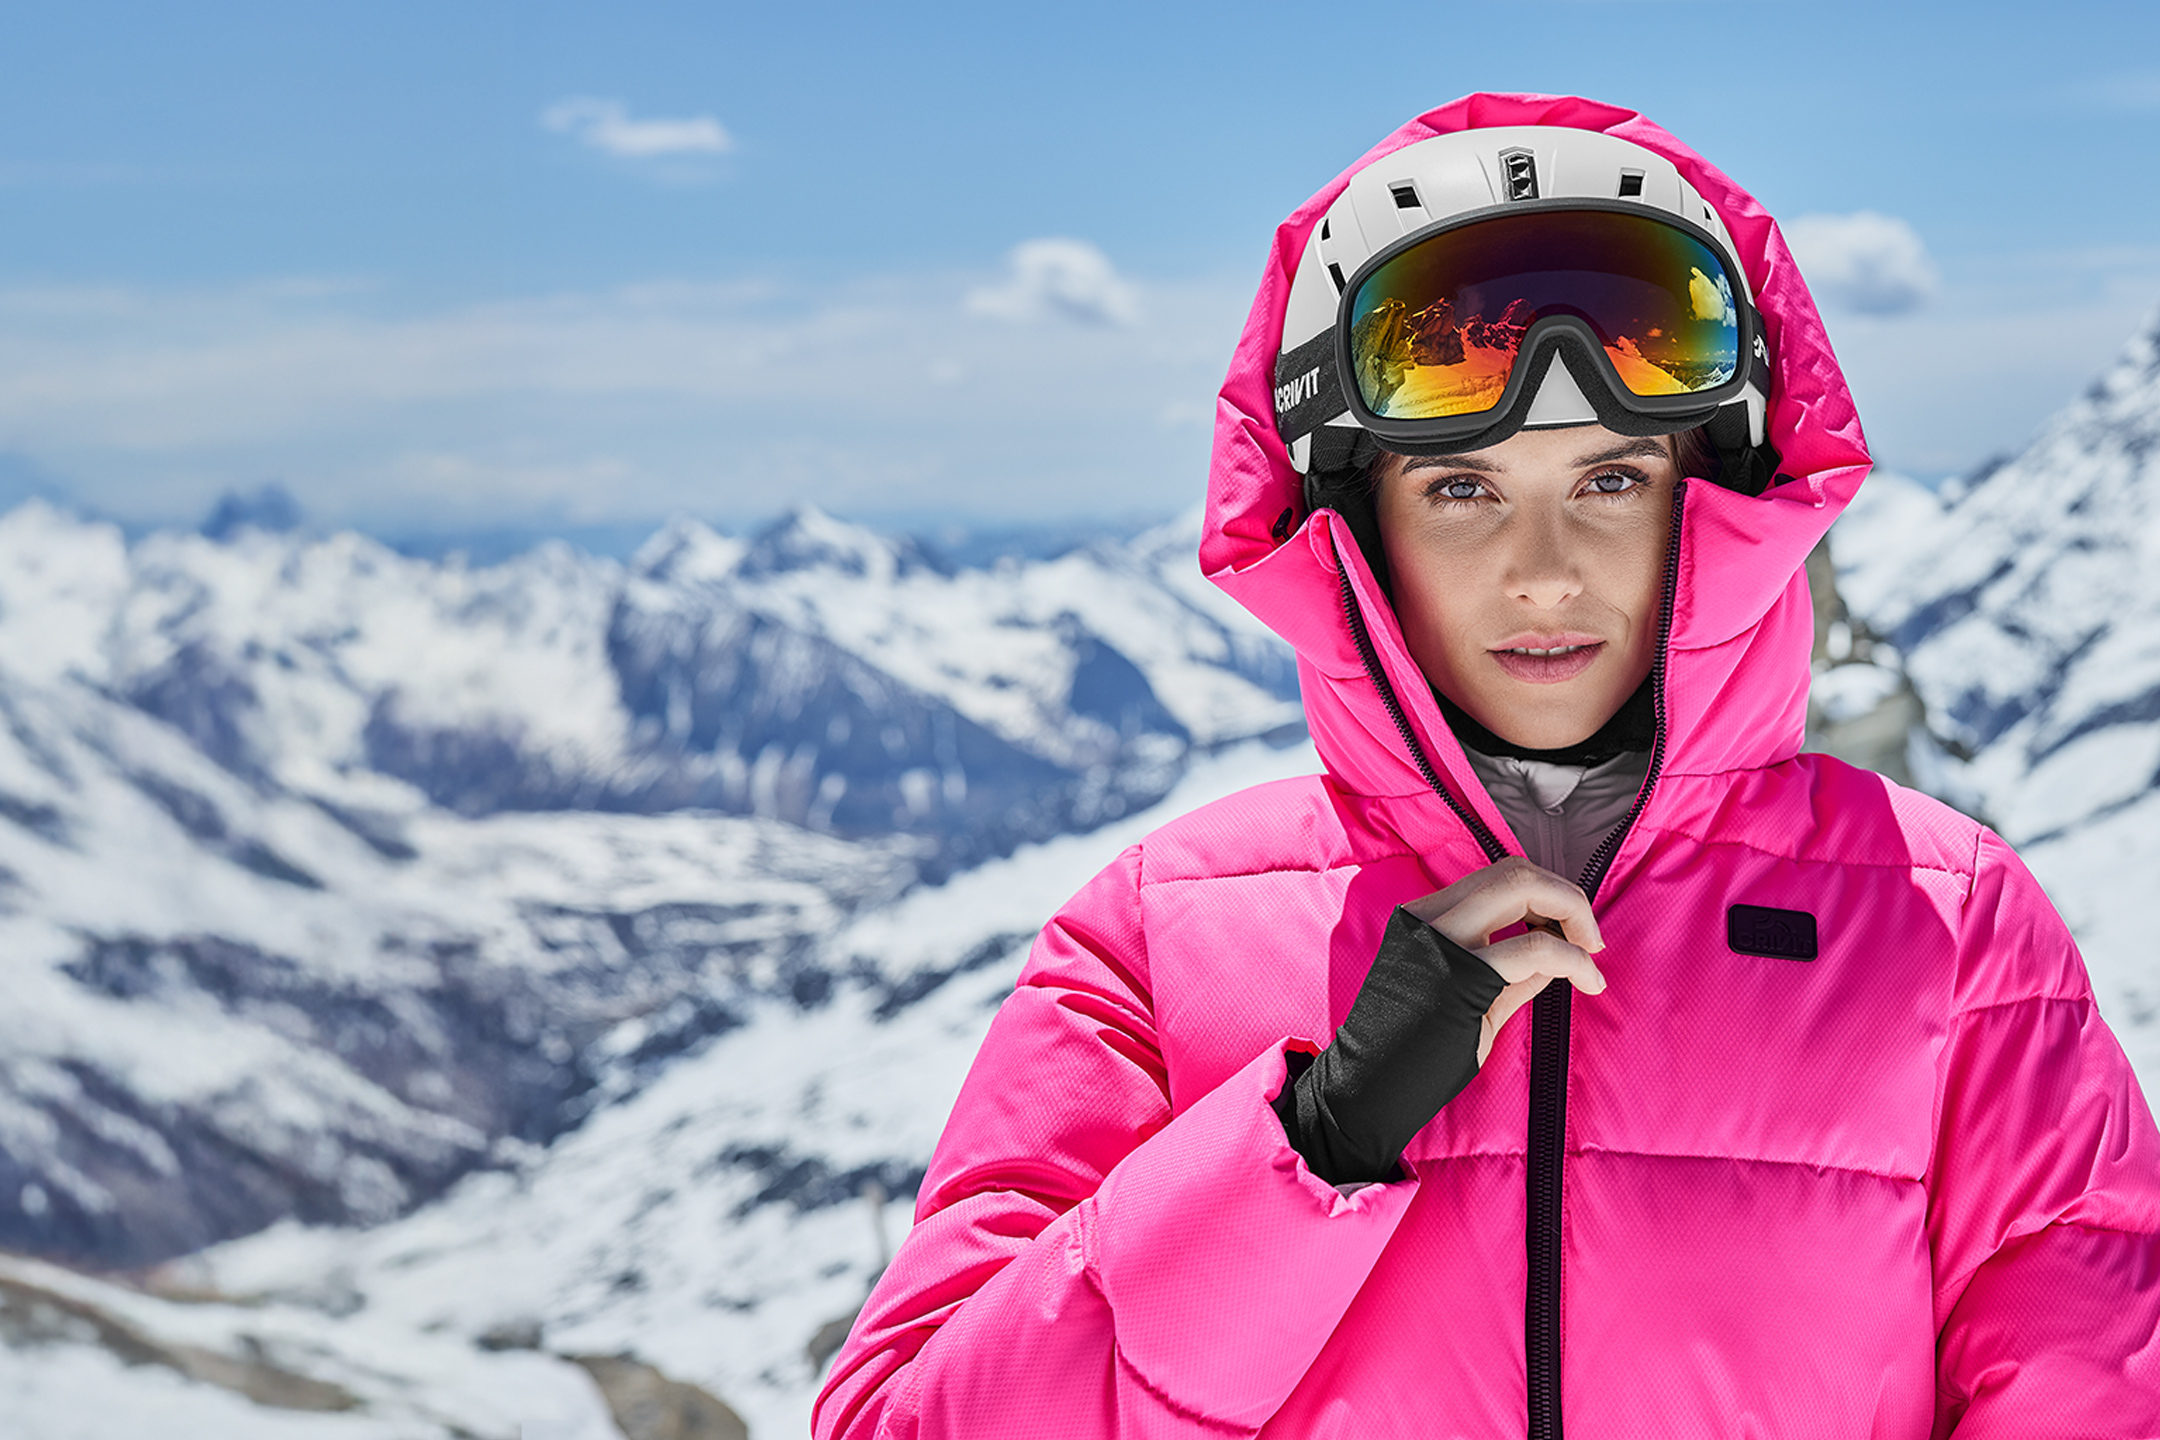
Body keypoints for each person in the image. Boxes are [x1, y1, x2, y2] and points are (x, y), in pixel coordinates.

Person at [812, 93, 2160, 1438]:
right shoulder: (1156, 945)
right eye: (1461, 488)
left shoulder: (1950, 926)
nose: (1546, 572)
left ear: (1717, 495)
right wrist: (1308, 1142)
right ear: (1354, 525)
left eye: (1615, 479)